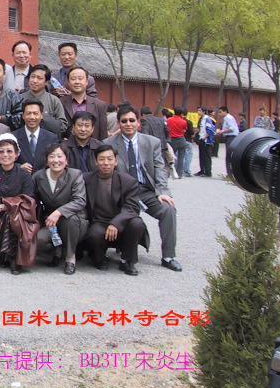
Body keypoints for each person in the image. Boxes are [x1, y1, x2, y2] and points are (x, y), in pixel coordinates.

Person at [105, 104, 181, 272]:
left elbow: (160, 168)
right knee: (130, 218)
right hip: (123, 193)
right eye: (124, 121)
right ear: (119, 123)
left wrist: (162, 192)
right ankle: (127, 256)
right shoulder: (109, 144)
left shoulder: (152, 142)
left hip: (146, 190)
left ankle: (169, 256)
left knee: (168, 209)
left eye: (132, 120)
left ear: (139, 122)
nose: (128, 124)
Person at [83, 145, 149, 276]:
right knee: (94, 234)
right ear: (96, 162)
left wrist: (116, 223)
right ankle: (99, 258)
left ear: (116, 161)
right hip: (99, 222)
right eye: (101, 159)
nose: (106, 163)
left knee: (137, 223)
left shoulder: (128, 181)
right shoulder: (86, 179)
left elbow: (132, 207)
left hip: (122, 222)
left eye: (109, 159)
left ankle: (127, 260)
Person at [0, 133, 36, 274]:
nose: (5, 155)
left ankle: (12, 257)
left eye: (9, 151)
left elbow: (27, 199)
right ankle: (7, 254)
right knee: (5, 217)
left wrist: (1, 207)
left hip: (20, 215)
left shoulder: (24, 174)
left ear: (16, 154)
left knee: (9, 216)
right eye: (1, 151)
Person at [32, 142, 88, 275]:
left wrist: (58, 212)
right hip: (50, 222)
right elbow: (33, 199)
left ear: (66, 160)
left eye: (60, 156)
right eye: (52, 156)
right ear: (47, 160)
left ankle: (70, 257)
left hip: (74, 220)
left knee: (70, 221)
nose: (56, 160)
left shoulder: (75, 175)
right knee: (38, 241)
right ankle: (57, 250)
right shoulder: (39, 176)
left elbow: (80, 201)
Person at [10, 99, 58, 173]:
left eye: (35, 113)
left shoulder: (52, 138)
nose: (32, 117)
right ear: (23, 116)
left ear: (42, 115)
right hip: (21, 178)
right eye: (28, 113)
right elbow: (6, 160)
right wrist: (19, 167)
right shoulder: (13, 137)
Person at [19, 64, 68, 136]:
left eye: (39, 78)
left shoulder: (54, 100)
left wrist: (44, 120)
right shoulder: (19, 98)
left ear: (46, 82)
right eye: (33, 77)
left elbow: (63, 125)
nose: (35, 81)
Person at [62, 67, 107, 140]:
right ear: (68, 82)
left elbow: (103, 134)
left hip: (93, 146)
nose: (77, 82)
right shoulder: (60, 103)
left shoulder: (99, 105)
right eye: (73, 79)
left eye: (80, 78)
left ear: (87, 82)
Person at [166, 107, 189, 178]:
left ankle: (168, 173)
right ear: (182, 114)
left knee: (170, 157)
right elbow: (185, 129)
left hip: (172, 139)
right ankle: (180, 174)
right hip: (181, 139)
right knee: (181, 158)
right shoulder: (184, 121)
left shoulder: (169, 119)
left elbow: (167, 128)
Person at [195, 106, 215, 177]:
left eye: (200, 110)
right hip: (201, 138)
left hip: (206, 140)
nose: (198, 112)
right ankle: (202, 170)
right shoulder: (201, 119)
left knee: (206, 156)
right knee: (201, 156)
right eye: (198, 110)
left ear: (204, 111)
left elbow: (210, 130)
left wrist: (205, 137)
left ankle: (208, 172)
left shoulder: (207, 119)